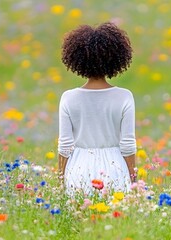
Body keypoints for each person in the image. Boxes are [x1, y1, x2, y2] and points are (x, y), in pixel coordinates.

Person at [57, 22, 136, 196]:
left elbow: (64, 146)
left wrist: (60, 182)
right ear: (116, 58)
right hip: (115, 169)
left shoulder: (69, 98)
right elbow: (128, 146)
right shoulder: (124, 96)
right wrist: (134, 181)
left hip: (78, 169)